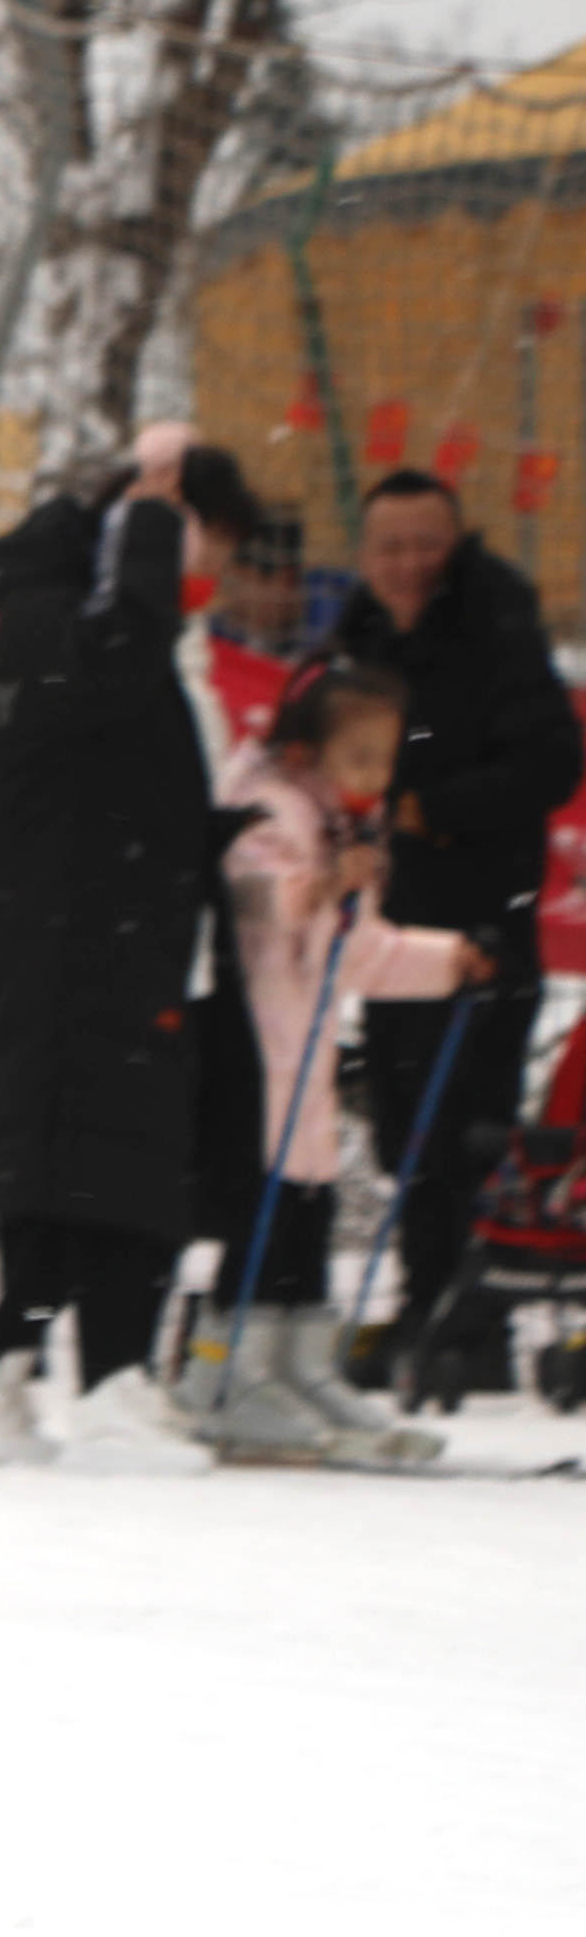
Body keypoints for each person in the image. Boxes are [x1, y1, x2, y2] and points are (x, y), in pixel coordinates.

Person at [0, 432, 249, 1472]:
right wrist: (150, 528)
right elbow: (113, 671)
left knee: (92, 1150)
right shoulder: (63, 618)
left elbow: (127, 772)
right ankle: (110, 1381)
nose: (207, 572)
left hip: (110, 927)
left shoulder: (85, 621)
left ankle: (1, 1366)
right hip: (82, 936)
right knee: (108, 1148)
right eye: (201, 540)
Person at [324, 466, 580, 1393]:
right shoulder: (355, 633)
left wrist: (435, 810)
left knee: (463, 1124)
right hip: (390, 925)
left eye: (426, 545)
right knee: (400, 1126)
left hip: (480, 923)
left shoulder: (496, 626)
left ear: (457, 541)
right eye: (390, 547)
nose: (408, 565)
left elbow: (553, 758)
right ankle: (425, 1299)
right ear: (365, 554)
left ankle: (467, 1324)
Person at [172, 655, 463, 1468]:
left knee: (309, 1207)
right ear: (304, 752)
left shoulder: (342, 826)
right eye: (360, 758)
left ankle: (298, 1365)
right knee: (259, 1210)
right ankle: (223, 1374)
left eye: (385, 759)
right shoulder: (266, 807)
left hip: (307, 1057)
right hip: (251, 1047)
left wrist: (451, 962)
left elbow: (357, 954)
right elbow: (257, 903)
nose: (377, 776)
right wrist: (327, 886)